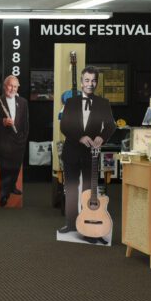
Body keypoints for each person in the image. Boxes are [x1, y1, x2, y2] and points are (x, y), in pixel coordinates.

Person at [59, 66, 116, 244]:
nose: (90, 84)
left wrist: (102, 136)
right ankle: (70, 223)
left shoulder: (103, 103)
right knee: (71, 188)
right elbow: (64, 126)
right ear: (82, 82)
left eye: (93, 81)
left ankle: (88, 226)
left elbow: (110, 125)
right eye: (87, 80)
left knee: (88, 190)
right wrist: (80, 137)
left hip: (91, 154)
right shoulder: (71, 102)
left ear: (96, 82)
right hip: (71, 150)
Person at [0, 75, 30, 207]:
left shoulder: (23, 102)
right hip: (4, 142)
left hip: (19, 141)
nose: (13, 89)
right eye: (10, 85)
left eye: (15, 86)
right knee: (5, 169)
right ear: (5, 86)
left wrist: (23, 138)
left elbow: (25, 123)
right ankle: (4, 195)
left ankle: (12, 187)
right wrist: (3, 121)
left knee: (16, 167)